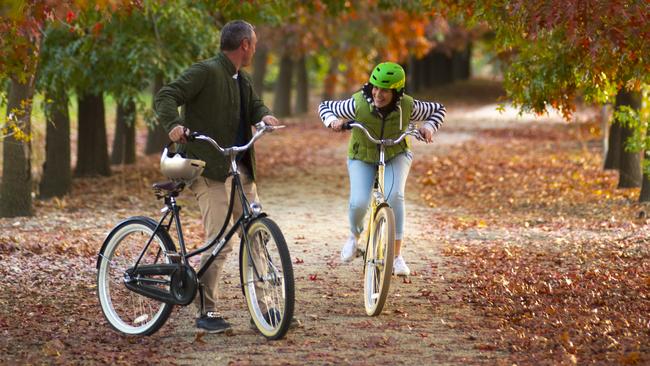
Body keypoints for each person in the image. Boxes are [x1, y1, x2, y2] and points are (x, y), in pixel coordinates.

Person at [154, 20, 279, 334]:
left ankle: (264, 311)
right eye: (255, 42)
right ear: (245, 45)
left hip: (240, 170)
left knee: (257, 234)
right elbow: (166, 95)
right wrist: (173, 124)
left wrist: (263, 114)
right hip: (209, 169)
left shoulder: (242, 78)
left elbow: (252, 105)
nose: (256, 47)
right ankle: (206, 309)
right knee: (220, 242)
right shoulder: (206, 72)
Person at [318, 61, 446, 276]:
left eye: (385, 90)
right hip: (362, 155)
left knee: (395, 196)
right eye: (375, 87)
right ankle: (353, 236)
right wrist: (332, 121)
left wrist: (429, 127)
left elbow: (438, 110)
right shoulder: (357, 104)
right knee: (359, 202)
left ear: (396, 92)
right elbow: (324, 107)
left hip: (396, 153)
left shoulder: (408, 106)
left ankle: (396, 257)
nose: (378, 94)